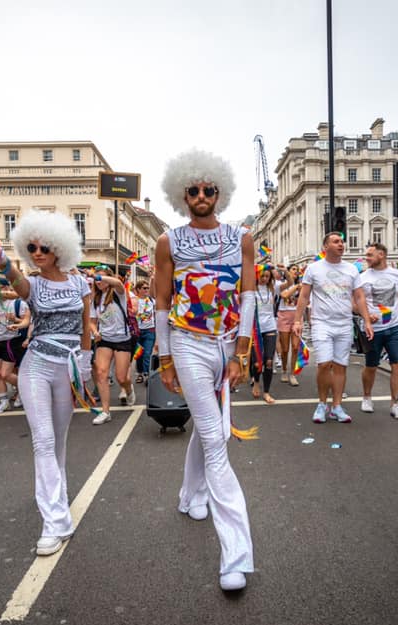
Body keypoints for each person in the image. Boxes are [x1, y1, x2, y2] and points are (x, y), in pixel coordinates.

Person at [155, 149, 255, 592]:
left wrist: (242, 351)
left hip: (226, 344)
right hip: (187, 343)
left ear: (220, 192)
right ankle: (236, 557)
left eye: (208, 189)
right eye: (193, 190)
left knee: (205, 425)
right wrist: (164, 357)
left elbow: (249, 296)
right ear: (182, 195)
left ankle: (189, 494)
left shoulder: (242, 238)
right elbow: (160, 303)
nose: (201, 195)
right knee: (216, 436)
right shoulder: (168, 242)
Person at [0, 208, 91, 557]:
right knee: (43, 441)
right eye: (31, 247)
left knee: (58, 442)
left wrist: (86, 364)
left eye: (44, 246)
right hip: (37, 367)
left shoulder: (80, 283)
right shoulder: (32, 285)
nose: (38, 252)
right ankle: (54, 520)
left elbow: (86, 327)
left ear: (60, 247)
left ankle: (57, 498)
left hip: (69, 367)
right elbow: (6, 270)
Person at [293, 233, 373, 424]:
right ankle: (322, 404)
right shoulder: (313, 268)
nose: (341, 245)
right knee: (323, 364)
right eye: (336, 242)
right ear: (325, 246)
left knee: (340, 366)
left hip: (344, 324)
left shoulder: (352, 269)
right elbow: (304, 297)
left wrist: (367, 320)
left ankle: (336, 406)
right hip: (322, 323)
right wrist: (297, 320)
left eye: (341, 242)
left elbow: (359, 297)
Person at [358, 242, 398, 419]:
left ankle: (395, 404)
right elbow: (354, 302)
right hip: (373, 329)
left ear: (381, 255)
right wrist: (365, 316)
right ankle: (366, 396)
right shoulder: (362, 277)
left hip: (395, 327)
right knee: (371, 366)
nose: (367, 258)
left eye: (370, 255)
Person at [91, 266, 135, 424]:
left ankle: (128, 389)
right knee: (101, 373)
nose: (99, 282)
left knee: (121, 377)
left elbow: (117, 282)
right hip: (104, 339)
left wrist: (100, 277)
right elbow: (92, 321)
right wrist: (95, 331)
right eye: (97, 279)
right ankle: (105, 411)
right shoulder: (95, 299)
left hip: (122, 339)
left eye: (102, 278)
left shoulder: (118, 293)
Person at [0, 280, 30, 414]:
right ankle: (4, 402)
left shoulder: (19, 303)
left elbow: (27, 321)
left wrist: (16, 321)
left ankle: (26, 388)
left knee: (5, 374)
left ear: (6, 288)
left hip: (11, 341)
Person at [249, 265, 279, 403]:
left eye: (267, 276)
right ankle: (256, 381)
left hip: (270, 327)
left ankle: (266, 392)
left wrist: (282, 271)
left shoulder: (273, 288)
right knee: (257, 362)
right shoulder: (250, 290)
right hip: (255, 328)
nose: (265, 279)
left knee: (268, 361)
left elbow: (290, 283)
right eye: (262, 276)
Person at [275, 265, 302, 385]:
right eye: (293, 269)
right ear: (288, 272)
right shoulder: (282, 284)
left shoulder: (302, 285)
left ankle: (293, 374)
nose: (296, 271)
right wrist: (296, 286)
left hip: (296, 317)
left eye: (297, 270)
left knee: (295, 347)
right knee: (285, 348)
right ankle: (284, 370)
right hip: (284, 316)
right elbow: (284, 295)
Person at [133, 279, 155, 383]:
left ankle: (146, 374)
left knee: (147, 353)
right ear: (138, 289)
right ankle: (140, 373)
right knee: (139, 354)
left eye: (147, 288)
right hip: (137, 331)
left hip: (149, 331)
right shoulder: (134, 300)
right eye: (144, 288)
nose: (146, 290)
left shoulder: (151, 301)